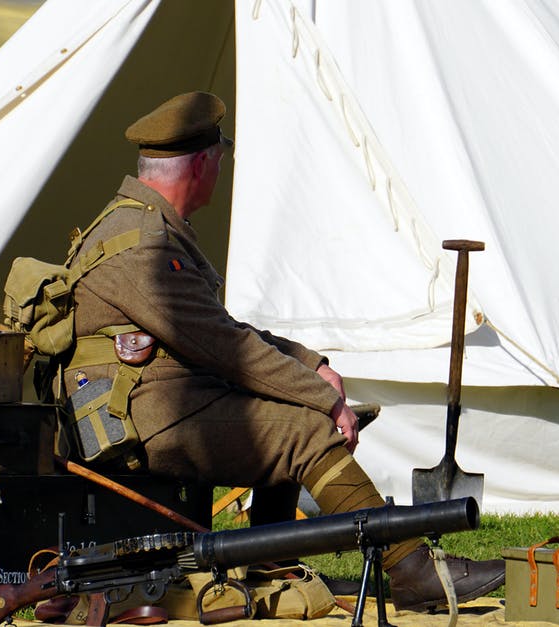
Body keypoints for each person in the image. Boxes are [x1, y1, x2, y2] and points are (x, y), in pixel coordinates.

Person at [60, 91, 504, 611]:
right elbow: (226, 348)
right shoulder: (142, 244)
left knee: (293, 414)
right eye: (220, 159)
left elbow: (217, 329)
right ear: (204, 164)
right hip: (133, 417)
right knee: (304, 430)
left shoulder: (143, 227)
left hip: (148, 403)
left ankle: (271, 567)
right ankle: (412, 572)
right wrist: (323, 399)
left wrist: (309, 363)